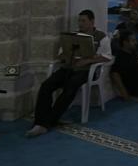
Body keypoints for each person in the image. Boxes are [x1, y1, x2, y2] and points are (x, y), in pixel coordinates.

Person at [26, 9, 111, 137]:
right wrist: (65, 57)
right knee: (46, 85)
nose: (80, 24)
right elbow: (61, 54)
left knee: (70, 88)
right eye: (79, 21)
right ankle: (41, 121)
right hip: (68, 68)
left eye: (83, 21)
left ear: (92, 21)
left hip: (86, 70)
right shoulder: (72, 36)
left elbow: (107, 56)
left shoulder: (101, 37)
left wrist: (87, 60)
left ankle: (45, 123)